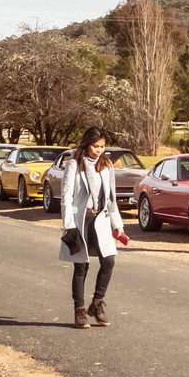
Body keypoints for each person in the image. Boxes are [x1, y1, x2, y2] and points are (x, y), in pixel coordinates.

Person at [59, 126, 127, 328]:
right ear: (87, 144)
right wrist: (69, 225)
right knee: (81, 266)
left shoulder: (106, 165)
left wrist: (118, 225)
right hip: (81, 220)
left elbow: (111, 198)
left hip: (102, 221)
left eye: (102, 146)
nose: (99, 150)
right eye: (95, 146)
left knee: (109, 262)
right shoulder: (74, 165)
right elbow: (66, 197)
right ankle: (79, 311)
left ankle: (97, 304)